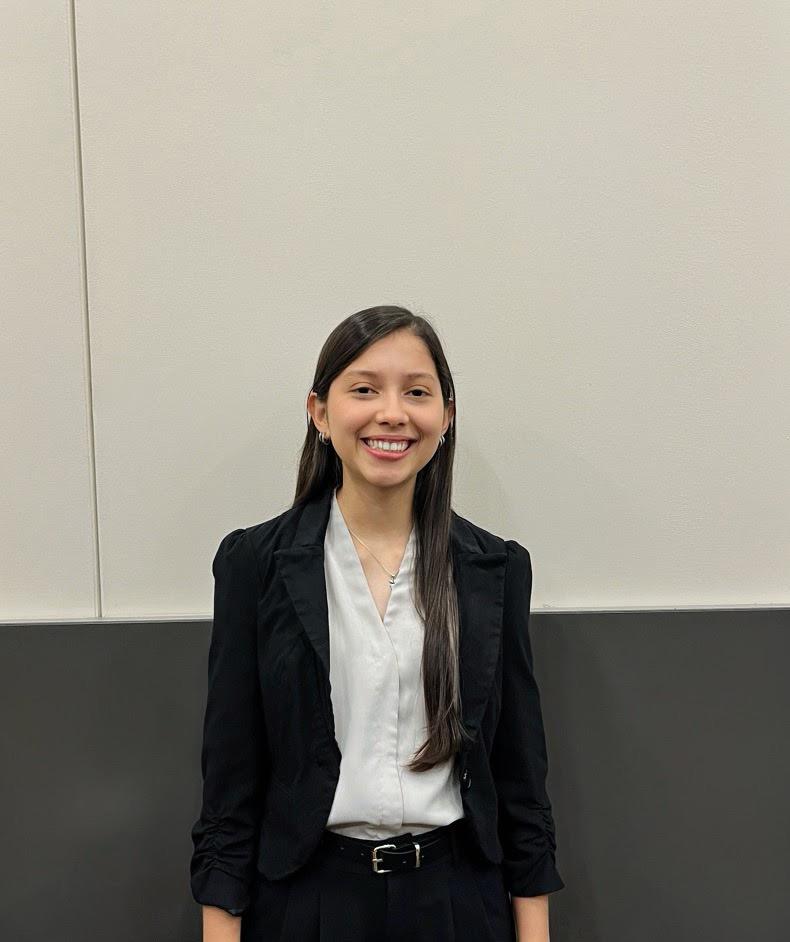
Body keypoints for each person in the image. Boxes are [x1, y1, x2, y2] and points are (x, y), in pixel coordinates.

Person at [190, 305, 565, 941]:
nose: (392, 413)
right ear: (319, 411)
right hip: (308, 903)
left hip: (457, 904)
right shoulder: (256, 564)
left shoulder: (493, 569)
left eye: (416, 392)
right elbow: (230, 789)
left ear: (446, 416)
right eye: (364, 390)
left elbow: (521, 783)